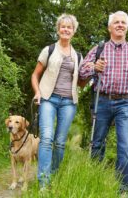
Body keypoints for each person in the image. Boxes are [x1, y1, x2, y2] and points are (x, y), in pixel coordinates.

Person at [79, 11, 128, 194]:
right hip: (102, 101)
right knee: (97, 145)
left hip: (126, 103)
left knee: (126, 146)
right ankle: (95, 184)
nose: (120, 25)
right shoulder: (99, 49)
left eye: (123, 22)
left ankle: (123, 192)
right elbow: (81, 73)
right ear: (110, 27)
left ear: (127, 27)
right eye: (116, 22)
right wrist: (93, 68)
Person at [31, 13, 83, 188]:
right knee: (46, 138)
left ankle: (54, 176)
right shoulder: (49, 50)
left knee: (60, 142)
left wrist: (91, 71)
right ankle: (43, 183)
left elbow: (82, 82)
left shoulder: (78, 56)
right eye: (63, 26)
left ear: (73, 31)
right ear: (58, 29)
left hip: (69, 102)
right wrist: (37, 92)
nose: (66, 29)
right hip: (48, 99)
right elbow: (35, 75)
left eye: (69, 27)